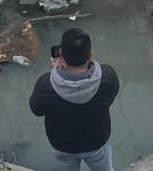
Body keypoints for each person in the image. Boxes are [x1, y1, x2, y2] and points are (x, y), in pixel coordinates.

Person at [29, 28, 120, 171]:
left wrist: (57, 73)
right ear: (90, 53)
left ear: (62, 56)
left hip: (63, 146)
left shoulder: (45, 85)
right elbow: (110, 97)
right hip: (97, 141)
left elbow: (36, 110)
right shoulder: (108, 76)